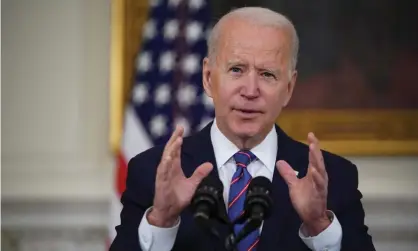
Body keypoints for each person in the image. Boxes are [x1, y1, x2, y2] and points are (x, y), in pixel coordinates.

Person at [109, 7, 375, 251]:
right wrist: (161, 220)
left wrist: (320, 226)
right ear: (208, 78)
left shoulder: (333, 178)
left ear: (289, 89)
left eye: (267, 74)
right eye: (236, 69)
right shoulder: (152, 171)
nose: (250, 91)